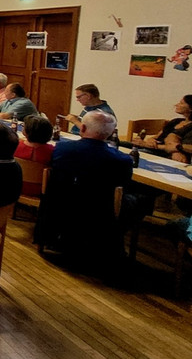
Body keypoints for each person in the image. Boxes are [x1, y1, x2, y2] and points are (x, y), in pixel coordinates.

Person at [34, 111, 133, 264]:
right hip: (99, 211)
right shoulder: (123, 160)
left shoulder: (62, 149)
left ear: (82, 128)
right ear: (111, 133)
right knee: (135, 201)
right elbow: (123, 186)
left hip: (59, 204)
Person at [132, 94, 192, 163]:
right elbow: (157, 136)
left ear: (190, 108)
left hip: (161, 153)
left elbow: (174, 147)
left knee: (127, 156)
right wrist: (151, 140)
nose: (176, 105)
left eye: (181, 103)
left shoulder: (190, 127)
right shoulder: (175, 121)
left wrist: (145, 144)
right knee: (120, 146)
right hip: (151, 147)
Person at [14, 115, 54, 197]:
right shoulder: (52, 151)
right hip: (42, 190)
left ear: (26, 131)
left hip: (15, 186)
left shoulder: (15, 146)